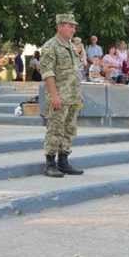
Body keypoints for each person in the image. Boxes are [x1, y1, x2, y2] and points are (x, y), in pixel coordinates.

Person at [40, 14, 84, 178]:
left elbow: (75, 71)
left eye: (74, 26)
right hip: (59, 95)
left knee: (69, 129)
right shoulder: (50, 46)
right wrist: (54, 96)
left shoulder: (71, 46)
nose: (73, 29)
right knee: (55, 129)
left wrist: (78, 92)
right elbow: (48, 73)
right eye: (70, 26)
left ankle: (63, 161)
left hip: (72, 96)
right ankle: (50, 163)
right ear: (60, 26)